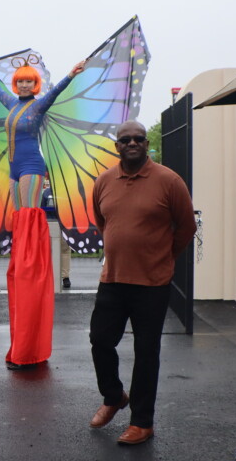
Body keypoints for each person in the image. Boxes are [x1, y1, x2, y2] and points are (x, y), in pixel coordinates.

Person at [88, 120, 196, 445]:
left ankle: (142, 422)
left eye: (138, 139)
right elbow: (102, 222)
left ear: (146, 143)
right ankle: (113, 396)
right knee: (100, 340)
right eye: (125, 139)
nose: (132, 143)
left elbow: (186, 227)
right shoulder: (104, 181)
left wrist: (163, 257)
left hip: (152, 283)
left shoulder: (169, 181)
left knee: (146, 351)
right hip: (113, 279)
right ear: (116, 145)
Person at [0, 56, 84, 370]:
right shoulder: (11, 103)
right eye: (21, 80)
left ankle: (31, 259)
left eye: (29, 81)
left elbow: (56, 94)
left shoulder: (37, 106)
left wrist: (70, 74)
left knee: (29, 215)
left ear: (35, 84)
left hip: (32, 167)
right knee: (20, 216)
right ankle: (23, 254)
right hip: (13, 169)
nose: (24, 84)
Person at [41, 177, 72, 289]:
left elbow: (42, 209)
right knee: (62, 251)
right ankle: (64, 277)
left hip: (54, 223)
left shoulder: (47, 192)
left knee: (54, 251)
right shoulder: (66, 192)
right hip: (59, 224)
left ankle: (55, 276)